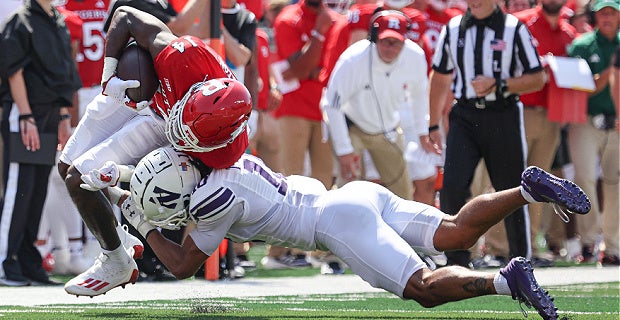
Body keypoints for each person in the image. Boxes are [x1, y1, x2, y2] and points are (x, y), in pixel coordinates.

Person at [91, 146, 590, 320]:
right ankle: (526, 190)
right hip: (351, 193)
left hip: (334, 223)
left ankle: (507, 281)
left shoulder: (212, 202)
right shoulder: (217, 159)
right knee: (456, 231)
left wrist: (140, 221)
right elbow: (170, 178)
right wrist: (121, 182)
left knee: (421, 289)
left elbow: (181, 266)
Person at [59, 6, 251, 295]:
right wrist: (109, 75)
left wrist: (121, 175)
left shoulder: (222, 154)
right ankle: (119, 243)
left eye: (190, 131)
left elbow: (170, 185)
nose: (182, 130)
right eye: (186, 116)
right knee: (65, 165)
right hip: (151, 96)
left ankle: (115, 261)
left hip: (160, 122)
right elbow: (123, 15)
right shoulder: (181, 57)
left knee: (78, 178)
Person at [428, 0, 547, 267]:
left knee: (513, 190)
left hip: (502, 115)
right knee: (452, 187)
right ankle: (455, 260)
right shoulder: (453, 27)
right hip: (464, 115)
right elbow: (439, 75)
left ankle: (519, 259)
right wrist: (433, 123)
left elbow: (538, 77)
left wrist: (500, 84)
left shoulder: (514, 28)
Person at [0, 0, 81, 286]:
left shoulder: (58, 20)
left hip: (49, 114)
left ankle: (27, 261)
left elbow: (63, 72)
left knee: (35, 191)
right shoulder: (20, 20)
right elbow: (13, 70)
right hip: (25, 113)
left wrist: (62, 116)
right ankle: (4, 261)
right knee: (18, 187)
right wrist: (25, 114)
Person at [323, 10, 430, 200]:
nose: (390, 48)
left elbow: (419, 96)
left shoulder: (415, 57)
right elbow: (332, 104)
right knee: (347, 188)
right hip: (351, 125)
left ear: (405, 41)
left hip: (387, 129)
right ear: (373, 39)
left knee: (403, 193)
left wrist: (423, 132)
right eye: (384, 41)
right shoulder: (354, 59)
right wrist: (344, 150)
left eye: (395, 42)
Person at [513, 0, 578, 267]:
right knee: (509, 177)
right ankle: (498, 246)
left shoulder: (569, 34)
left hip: (553, 115)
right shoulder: (521, 23)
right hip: (520, 110)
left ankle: (529, 247)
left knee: (538, 183)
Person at [566, 0, 619, 265]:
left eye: (613, 12)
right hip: (585, 120)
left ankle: (613, 246)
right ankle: (587, 242)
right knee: (585, 179)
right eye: (603, 13)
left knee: (615, 184)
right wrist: (612, 70)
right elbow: (580, 87)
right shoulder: (582, 46)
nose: (607, 17)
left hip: (618, 121)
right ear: (594, 16)